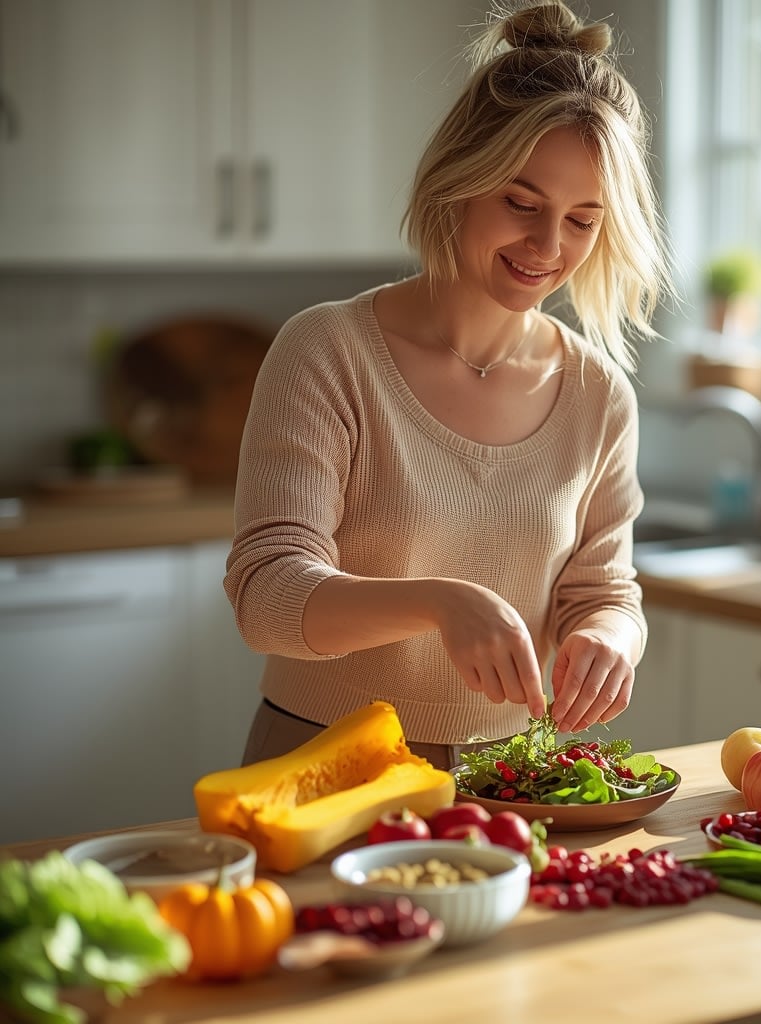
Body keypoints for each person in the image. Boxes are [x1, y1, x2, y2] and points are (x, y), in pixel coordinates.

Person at [226, 0, 676, 771]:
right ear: (458, 182)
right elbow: (267, 599)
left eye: (582, 220)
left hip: (515, 778)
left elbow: (605, 590)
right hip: (324, 766)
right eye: (521, 203)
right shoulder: (328, 352)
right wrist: (439, 601)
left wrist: (609, 638)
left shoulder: (599, 396)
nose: (547, 246)